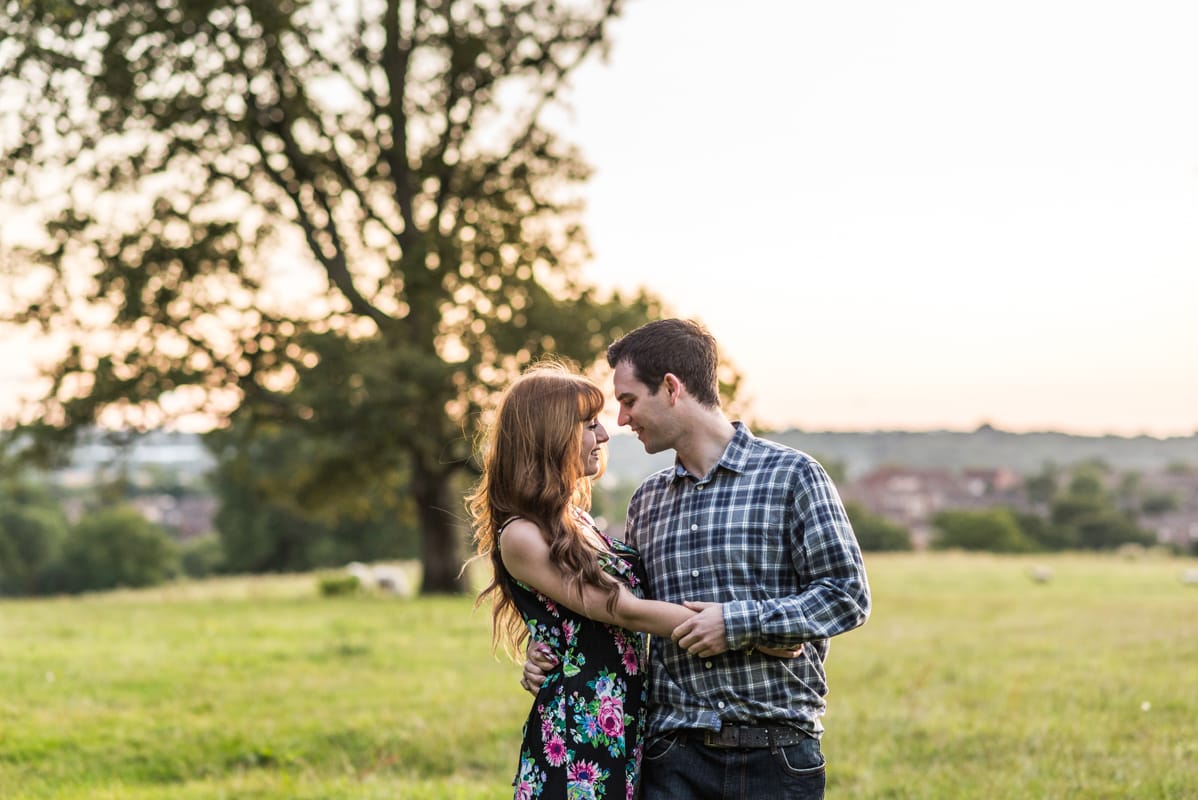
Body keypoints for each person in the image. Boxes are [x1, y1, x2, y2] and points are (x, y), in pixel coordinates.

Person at [522, 319, 872, 800]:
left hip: (777, 752)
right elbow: (623, 608)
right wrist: (551, 647)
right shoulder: (647, 502)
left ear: (671, 388)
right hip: (672, 758)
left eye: (628, 401)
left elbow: (847, 596)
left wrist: (738, 624)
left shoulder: (793, 476)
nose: (620, 421)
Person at [466, 361, 703, 800]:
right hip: (579, 732)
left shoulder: (574, 521)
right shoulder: (522, 534)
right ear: (549, 435)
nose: (605, 435)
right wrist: (734, 628)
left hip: (618, 725)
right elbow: (621, 609)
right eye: (589, 424)